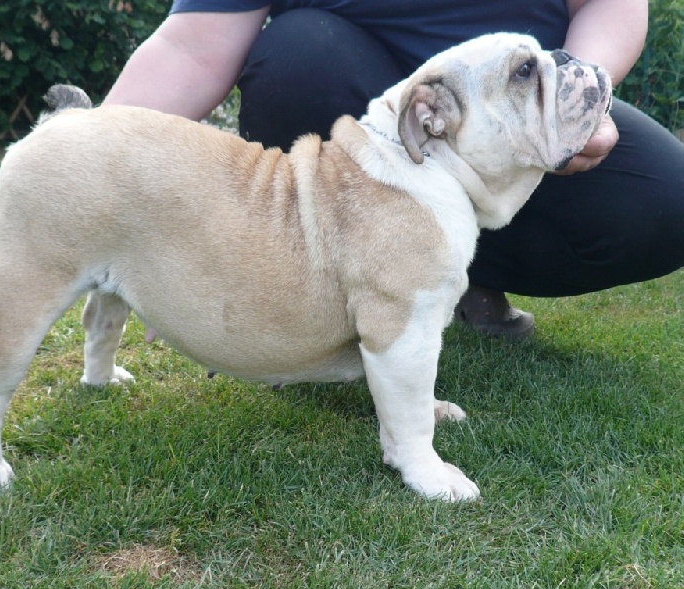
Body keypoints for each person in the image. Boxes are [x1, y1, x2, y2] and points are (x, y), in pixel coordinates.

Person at [103, 0, 684, 339]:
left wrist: (569, 105)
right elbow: (192, 47)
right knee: (299, 57)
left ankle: (457, 276)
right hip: (356, 115)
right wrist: (91, 154)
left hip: (520, 122)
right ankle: (314, 299)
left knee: (669, 200)